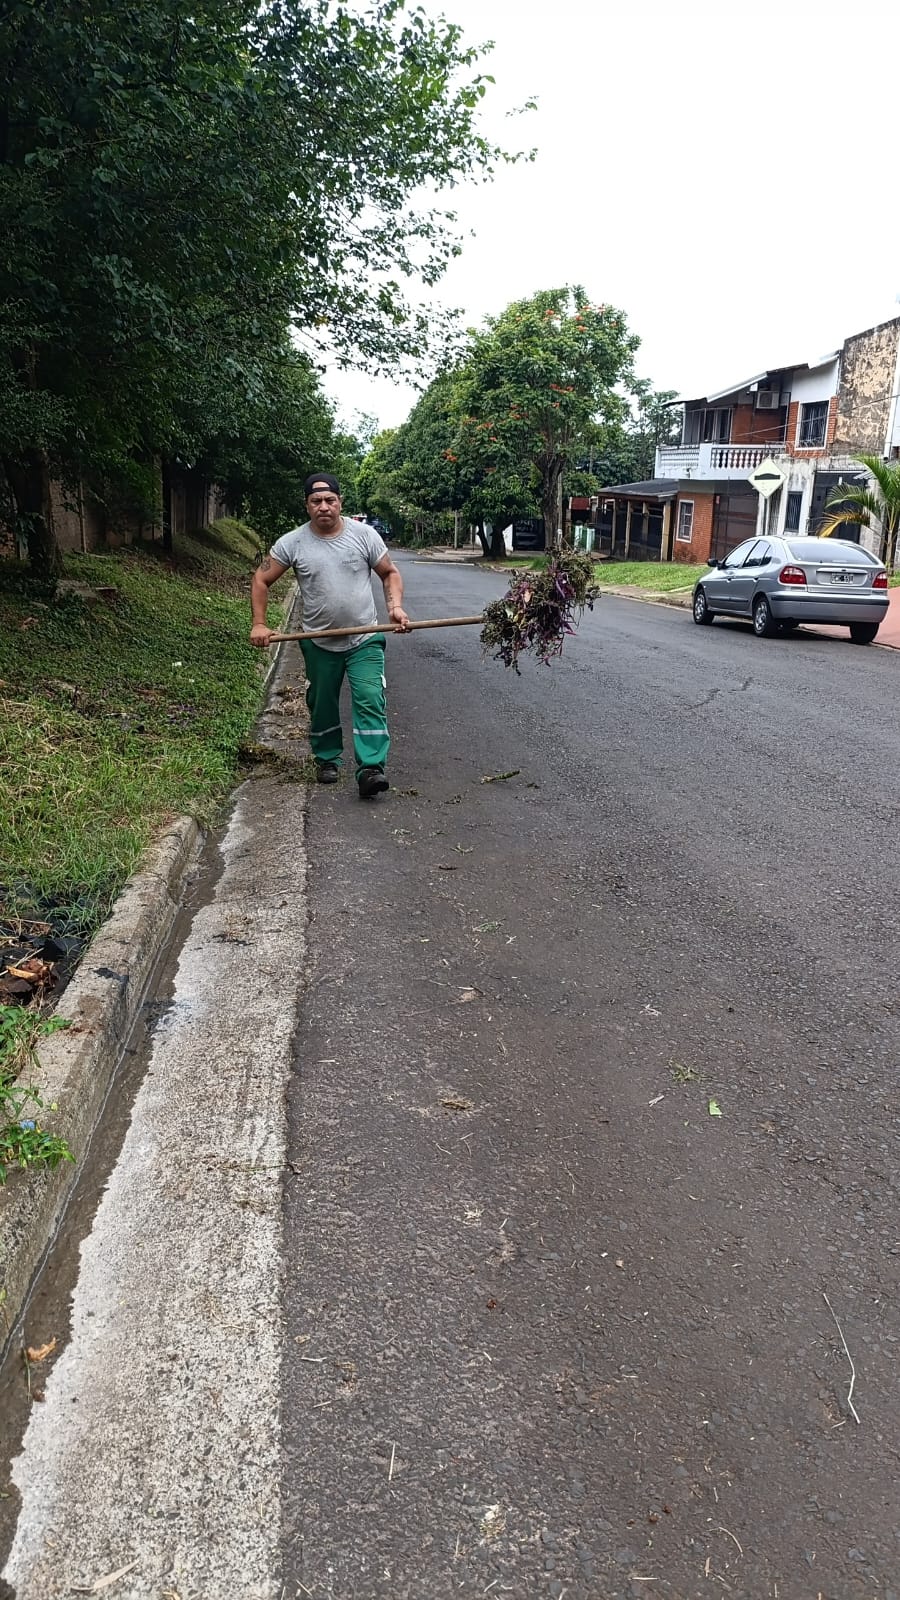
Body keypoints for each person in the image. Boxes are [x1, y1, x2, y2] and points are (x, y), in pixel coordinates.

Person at [250, 473, 411, 799]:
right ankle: (327, 759)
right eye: (316, 501)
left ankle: (371, 768)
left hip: (365, 637)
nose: (323, 507)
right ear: (307, 505)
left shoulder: (364, 535)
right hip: (319, 642)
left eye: (329, 500)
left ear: (340, 502)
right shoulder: (292, 543)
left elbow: (389, 573)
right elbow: (261, 580)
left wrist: (395, 608)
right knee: (321, 703)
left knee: (370, 697)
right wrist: (259, 624)